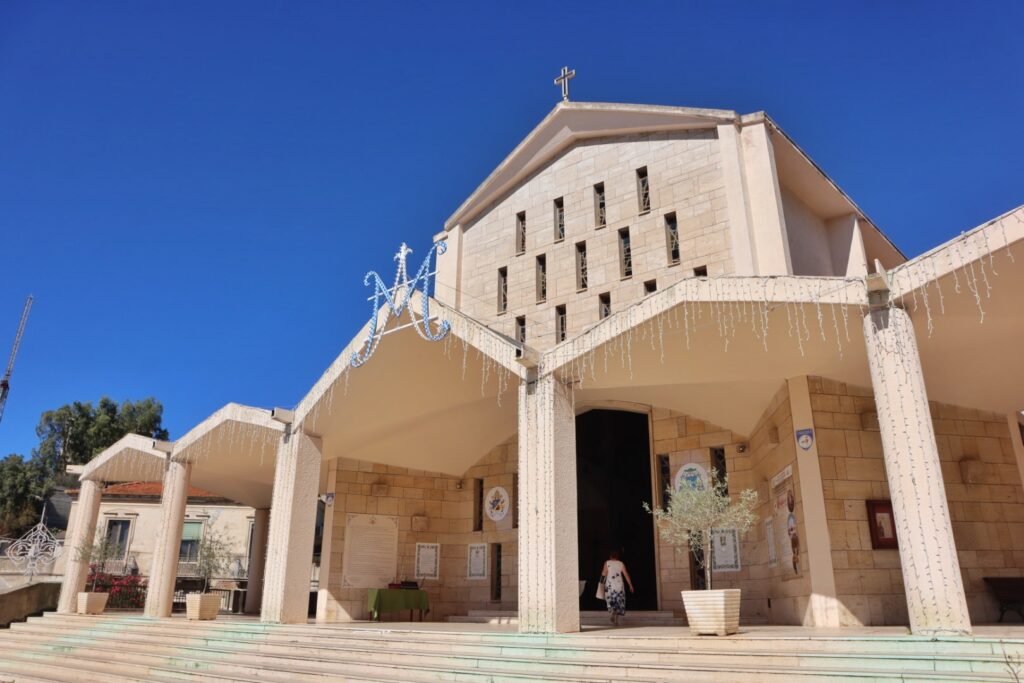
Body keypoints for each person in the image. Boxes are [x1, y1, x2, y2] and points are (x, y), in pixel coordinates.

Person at [601, 550, 634, 626]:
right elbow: (626, 574)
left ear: (610, 556)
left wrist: (601, 583)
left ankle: (612, 612)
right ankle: (616, 621)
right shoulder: (621, 563)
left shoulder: (607, 563)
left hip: (610, 585)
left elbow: (604, 573)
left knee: (611, 600)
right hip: (619, 584)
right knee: (618, 601)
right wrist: (630, 585)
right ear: (617, 557)